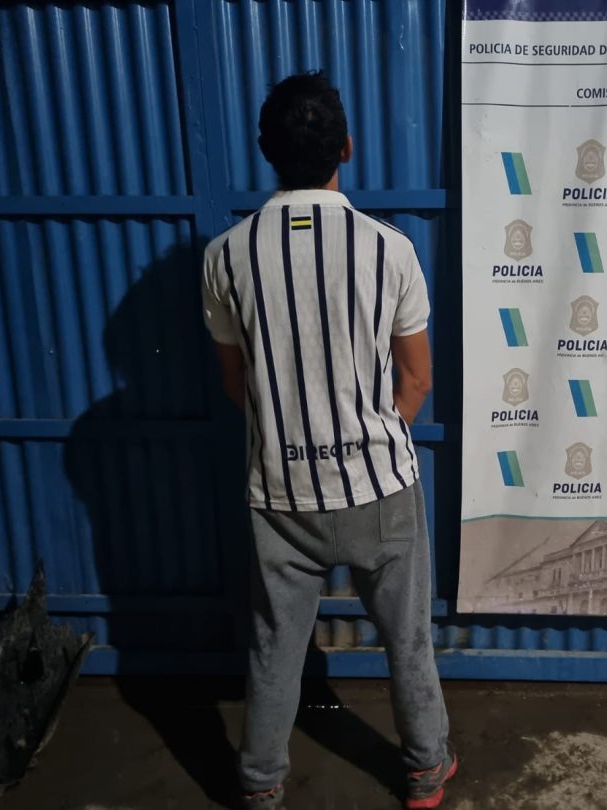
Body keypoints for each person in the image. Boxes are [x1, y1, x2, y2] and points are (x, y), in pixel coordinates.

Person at [200, 71, 455, 810]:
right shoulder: (391, 251)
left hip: (279, 493)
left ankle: (259, 783)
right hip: (381, 492)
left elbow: (236, 386)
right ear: (346, 146)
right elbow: (417, 378)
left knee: (275, 647)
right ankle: (425, 771)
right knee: (408, 640)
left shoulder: (225, 256)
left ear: (266, 151)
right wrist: (369, 440)